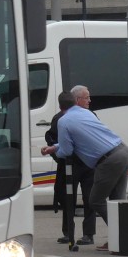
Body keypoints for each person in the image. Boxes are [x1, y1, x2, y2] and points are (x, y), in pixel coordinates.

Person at [41, 84, 128, 251]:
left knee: (96, 200)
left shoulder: (63, 121)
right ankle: (121, 239)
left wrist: (55, 150)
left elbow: (68, 150)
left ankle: (126, 234)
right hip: (124, 152)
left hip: (109, 160)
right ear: (75, 102)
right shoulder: (86, 113)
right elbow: (79, 139)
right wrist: (54, 147)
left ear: (60, 107)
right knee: (117, 201)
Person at [45, 91, 95, 244]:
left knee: (90, 199)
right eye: (86, 98)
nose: (89, 101)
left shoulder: (90, 115)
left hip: (87, 164)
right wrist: (60, 158)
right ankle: (68, 232)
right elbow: (51, 139)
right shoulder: (60, 119)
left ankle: (88, 234)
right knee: (67, 198)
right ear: (76, 100)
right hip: (68, 165)